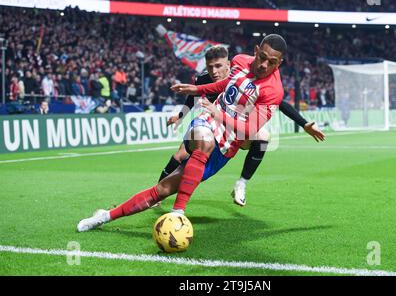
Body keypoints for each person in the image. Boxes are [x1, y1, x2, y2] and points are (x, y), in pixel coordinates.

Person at [76, 34, 314, 232]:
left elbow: (250, 129)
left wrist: (218, 112)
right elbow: (224, 86)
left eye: (271, 62)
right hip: (206, 123)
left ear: (279, 63)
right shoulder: (240, 61)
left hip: (226, 147)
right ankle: (178, 214)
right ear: (256, 51)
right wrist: (197, 89)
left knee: (162, 190)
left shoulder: (273, 91)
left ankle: (105, 216)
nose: (264, 65)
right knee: (204, 140)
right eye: (262, 57)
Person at [158, 45, 324, 207]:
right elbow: (191, 98)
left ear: (228, 65)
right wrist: (180, 117)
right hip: (210, 125)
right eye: (210, 67)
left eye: (218, 66)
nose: (214, 71)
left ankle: (241, 184)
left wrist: (304, 123)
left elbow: (280, 103)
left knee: (263, 136)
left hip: (237, 129)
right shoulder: (203, 79)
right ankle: (158, 193)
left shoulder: (240, 74)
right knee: (180, 155)